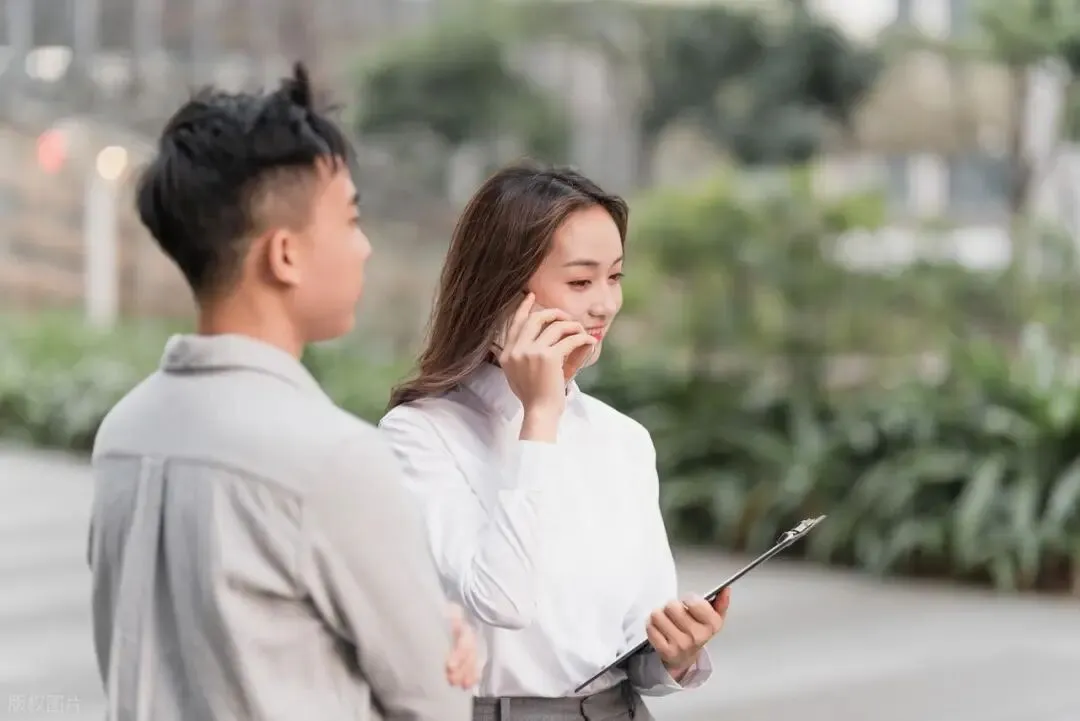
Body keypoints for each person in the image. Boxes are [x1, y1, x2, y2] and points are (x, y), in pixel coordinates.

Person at [87, 63, 475, 721]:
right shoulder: (333, 459)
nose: (366, 247)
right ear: (285, 255)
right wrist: (443, 641)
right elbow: (433, 702)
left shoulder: (123, 430)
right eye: (350, 220)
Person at [379, 162, 731, 721]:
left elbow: (632, 647)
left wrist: (678, 655)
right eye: (580, 281)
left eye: (614, 277)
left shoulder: (624, 440)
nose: (604, 305)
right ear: (505, 292)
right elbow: (501, 601)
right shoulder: (419, 435)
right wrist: (539, 416)